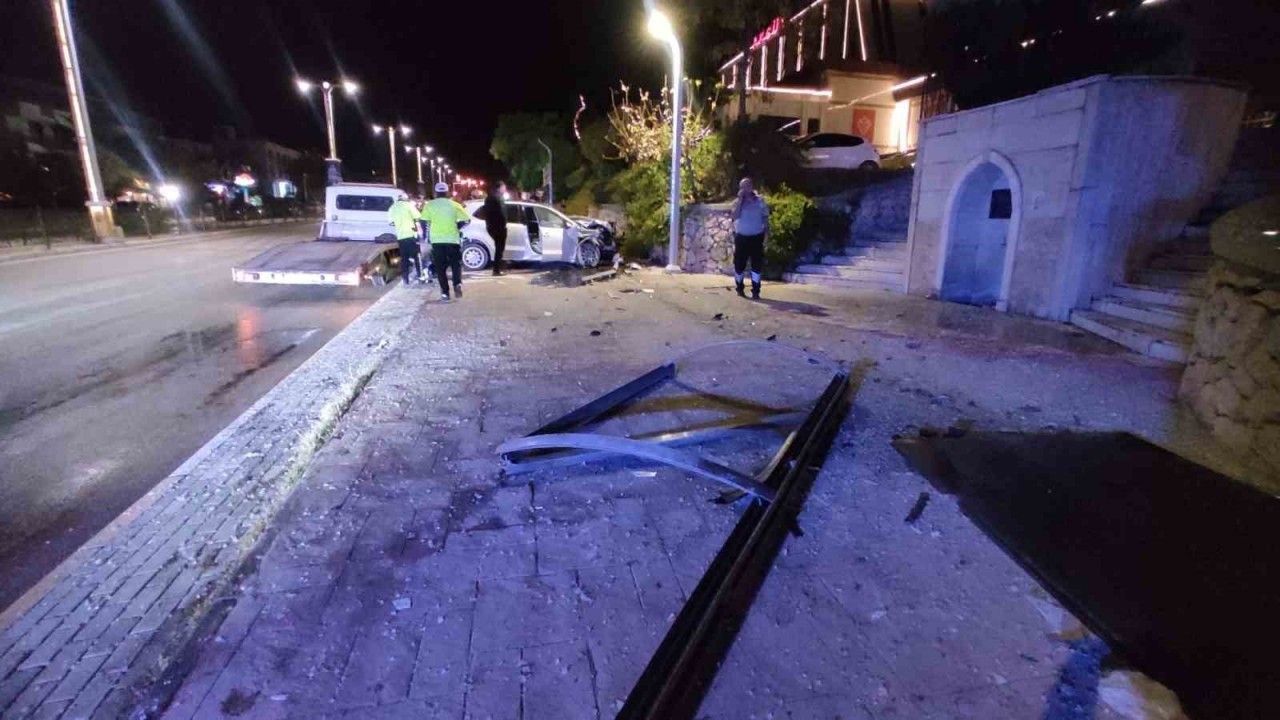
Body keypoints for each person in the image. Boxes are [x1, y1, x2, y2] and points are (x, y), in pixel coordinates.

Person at [420, 181, 471, 301]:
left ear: (436, 192)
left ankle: (445, 293)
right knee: (455, 263)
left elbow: (424, 222)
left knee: (440, 267)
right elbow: (467, 220)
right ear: (447, 192)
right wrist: (457, 227)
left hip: (437, 240)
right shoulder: (454, 205)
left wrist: (427, 238)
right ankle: (457, 283)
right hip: (452, 239)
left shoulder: (429, 205)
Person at [730, 176, 769, 299]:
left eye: (747, 186)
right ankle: (739, 288)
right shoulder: (736, 203)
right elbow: (734, 216)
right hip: (742, 237)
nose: (745, 189)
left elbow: (765, 218)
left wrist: (767, 234)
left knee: (757, 265)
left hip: (757, 237)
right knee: (739, 265)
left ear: (751, 187)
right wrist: (740, 200)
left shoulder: (760, 201)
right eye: (742, 187)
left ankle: (756, 290)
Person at [387, 191, 422, 285]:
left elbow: (391, 222)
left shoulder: (392, 207)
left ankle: (405, 279)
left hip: (401, 236)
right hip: (411, 235)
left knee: (404, 258)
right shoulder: (409, 205)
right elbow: (418, 217)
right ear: (406, 199)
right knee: (417, 256)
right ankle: (420, 275)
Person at [482, 182, 508, 275]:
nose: (505, 189)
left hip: (495, 226)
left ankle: (498, 268)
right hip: (497, 227)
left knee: (499, 248)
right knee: (499, 248)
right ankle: (496, 270)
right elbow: (499, 213)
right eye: (504, 187)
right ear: (499, 188)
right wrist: (502, 224)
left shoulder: (493, 197)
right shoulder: (495, 198)